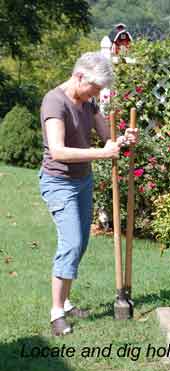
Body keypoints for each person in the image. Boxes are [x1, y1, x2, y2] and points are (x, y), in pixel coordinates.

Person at [39, 52, 138, 336]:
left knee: (80, 244)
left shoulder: (88, 101)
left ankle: (67, 303)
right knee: (71, 243)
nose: (96, 94)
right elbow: (57, 150)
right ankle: (56, 312)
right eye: (94, 87)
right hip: (59, 182)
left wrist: (122, 140)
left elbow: (107, 137)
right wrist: (102, 153)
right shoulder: (54, 102)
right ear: (79, 76)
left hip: (82, 180)